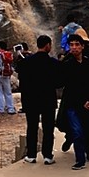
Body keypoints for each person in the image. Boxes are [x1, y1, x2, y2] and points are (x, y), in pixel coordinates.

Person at [57, 30, 89, 170]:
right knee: (77, 131)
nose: (74, 47)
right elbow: (67, 85)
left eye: (77, 44)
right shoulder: (66, 64)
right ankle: (80, 160)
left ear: (82, 46)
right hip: (73, 104)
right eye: (71, 45)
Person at [17, 34, 60, 164]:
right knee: (48, 128)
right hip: (48, 100)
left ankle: (31, 155)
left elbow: (22, 83)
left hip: (31, 100)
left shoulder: (26, 62)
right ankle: (47, 156)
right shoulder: (53, 63)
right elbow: (59, 82)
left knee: (32, 128)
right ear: (48, 45)